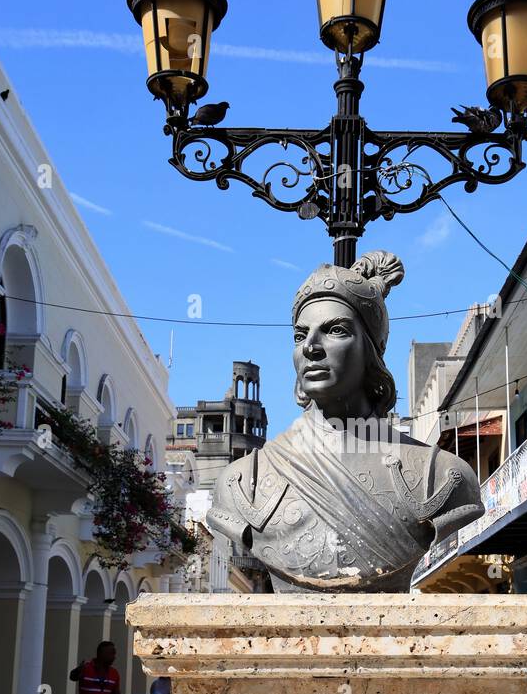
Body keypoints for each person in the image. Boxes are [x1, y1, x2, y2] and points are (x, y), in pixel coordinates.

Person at [207, 251, 483, 592]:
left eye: (334, 330)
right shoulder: (242, 482)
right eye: (299, 335)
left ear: (370, 350)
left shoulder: (440, 477)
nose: (310, 347)